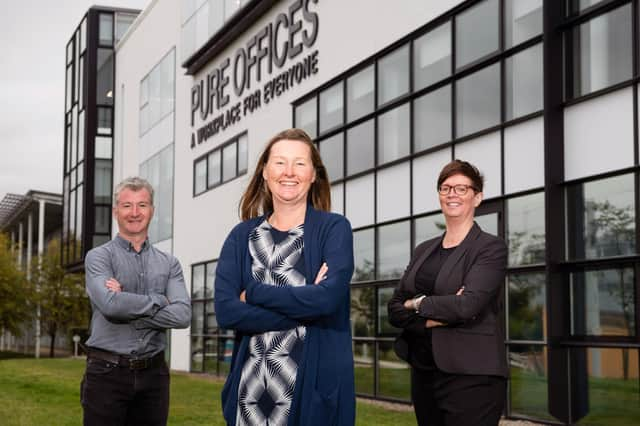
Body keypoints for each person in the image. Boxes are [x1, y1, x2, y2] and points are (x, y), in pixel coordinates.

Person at [214, 128, 355, 426]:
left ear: (314, 174)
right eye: (279, 162)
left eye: (300, 163)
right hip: (250, 394)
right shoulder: (242, 236)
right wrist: (307, 304)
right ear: (265, 171)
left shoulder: (334, 229)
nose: (289, 172)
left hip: (313, 397)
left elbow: (327, 300)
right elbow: (226, 311)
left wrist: (253, 293)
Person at [387, 160, 508, 426]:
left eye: (461, 189)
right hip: (425, 372)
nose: (452, 194)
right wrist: (438, 308)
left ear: (477, 197)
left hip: (473, 375)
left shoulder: (490, 248)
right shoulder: (424, 250)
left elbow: (467, 306)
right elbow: (394, 309)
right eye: (445, 188)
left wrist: (415, 303)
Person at [81, 176, 191, 426]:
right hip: (106, 373)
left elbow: (183, 315)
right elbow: (110, 306)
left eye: (142, 205)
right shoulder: (98, 258)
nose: (134, 212)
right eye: (127, 205)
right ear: (115, 211)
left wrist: (127, 305)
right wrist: (160, 300)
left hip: (154, 376)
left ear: (151, 210)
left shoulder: (170, 263)